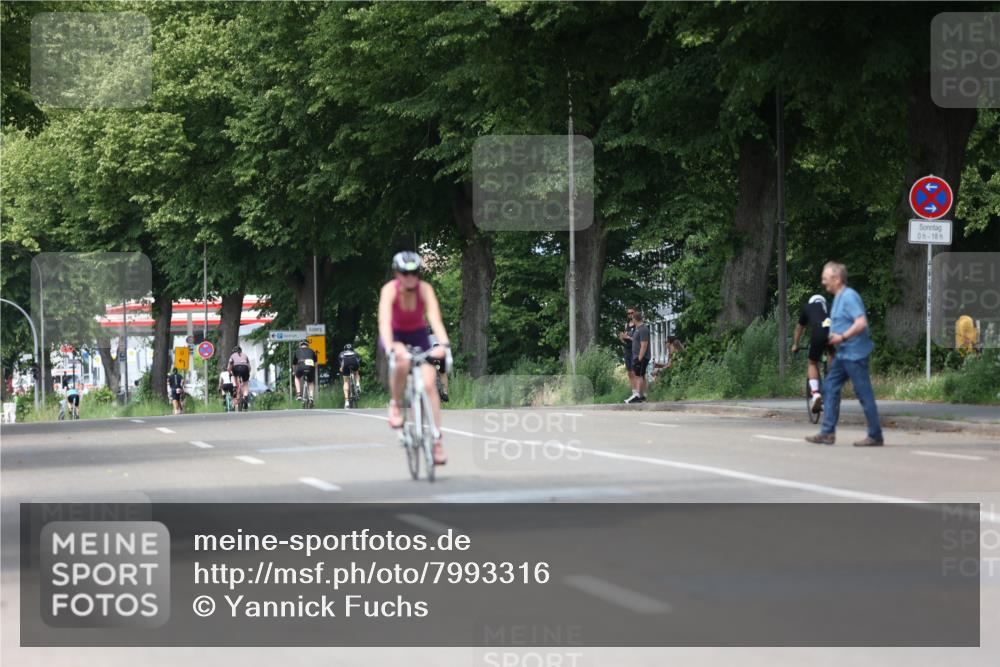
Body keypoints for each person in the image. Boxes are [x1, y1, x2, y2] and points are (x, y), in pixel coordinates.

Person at [377, 251, 451, 465]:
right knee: (401, 361)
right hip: (396, 334)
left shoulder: (425, 290)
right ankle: (396, 404)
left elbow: (435, 320)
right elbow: (384, 322)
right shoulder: (390, 290)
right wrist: (391, 347)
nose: (410, 277)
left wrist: (443, 345)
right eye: (404, 272)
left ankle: (437, 442)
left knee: (429, 385)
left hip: (418, 334)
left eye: (414, 272)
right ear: (397, 273)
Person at [806, 262, 884, 447]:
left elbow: (861, 322)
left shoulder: (849, 296)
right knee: (830, 387)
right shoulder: (838, 298)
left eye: (826, 278)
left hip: (855, 354)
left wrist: (842, 336)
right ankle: (827, 433)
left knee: (864, 394)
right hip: (843, 354)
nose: (824, 282)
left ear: (837, 279)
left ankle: (875, 435)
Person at [792, 294, 835, 413]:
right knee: (832, 355)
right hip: (835, 331)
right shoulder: (831, 306)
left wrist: (795, 344)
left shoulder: (808, 307)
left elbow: (799, 328)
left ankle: (816, 394)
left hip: (819, 332)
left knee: (812, 363)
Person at [625, 310, 650, 404]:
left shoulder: (643, 329)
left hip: (641, 357)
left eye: (633, 319)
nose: (632, 321)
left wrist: (640, 358)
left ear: (635, 319)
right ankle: (641, 395)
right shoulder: (638, 329)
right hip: (637, 356)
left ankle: (638, 395)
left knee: (639, 375)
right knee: (638, 374)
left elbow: (644, 345)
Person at [617, 309, 637, 394]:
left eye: (631, 313)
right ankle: (634, 391)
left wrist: (628, 338)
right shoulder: (626, 325)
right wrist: (621, 338)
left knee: (635, 370)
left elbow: (638, 339)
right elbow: (624, 340)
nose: (630, 315)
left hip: (635, 349)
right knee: (629, 372)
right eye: (628, 313)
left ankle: (640, 391)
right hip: (627, 349)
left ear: (635, 313)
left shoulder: (638, 325)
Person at [338, 343, 362, 409]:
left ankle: (346, 401)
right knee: (356, 373)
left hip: (345, 363)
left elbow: (341, 364)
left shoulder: (341, 353)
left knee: (346, 381)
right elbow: (359, 361)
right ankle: (357, 384)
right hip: (354, 362)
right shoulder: (355, 353)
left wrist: (341, 368)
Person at [227, 345, 251, 409]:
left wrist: (229, 372)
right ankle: (245, 397)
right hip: (245, 368)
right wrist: (248, 373)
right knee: (245, 384)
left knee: (233, 375)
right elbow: (249, 367)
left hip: (236, 368)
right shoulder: (245, 355)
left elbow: (229, 367)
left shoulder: (232, 356)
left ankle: (235, 386)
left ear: (234, 351)